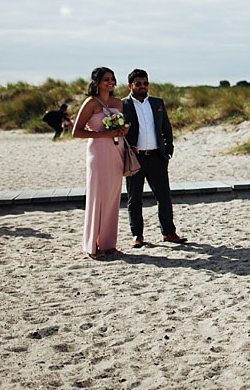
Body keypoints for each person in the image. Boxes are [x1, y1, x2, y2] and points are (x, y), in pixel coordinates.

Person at [121, 69, 185, 248]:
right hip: (135, 157)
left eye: (145, 83)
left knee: (164, 196)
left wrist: (168, 150)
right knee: (134, 198)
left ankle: (168, 232)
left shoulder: (157, 103)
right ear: (130, 86)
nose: (143, 87)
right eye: (138, 84)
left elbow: (166, 127)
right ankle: (137, 235)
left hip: (157, 156)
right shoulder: (122, 105)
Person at [72, 67, 128, 260]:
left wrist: (122, 130)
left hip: (116, 150)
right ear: (96, 82)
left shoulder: (118, 103)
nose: (110, 82)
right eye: (106, 79)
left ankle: (108, 243)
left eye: (112, 79)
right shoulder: (90, 103)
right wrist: (104, 134)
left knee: (113, 197)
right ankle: (93, 245)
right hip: (97, 152)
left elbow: (121, 126)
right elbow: (76, 131)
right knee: (97, 196)